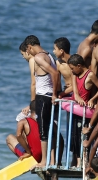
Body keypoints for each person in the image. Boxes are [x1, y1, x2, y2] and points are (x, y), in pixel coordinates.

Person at [23, 35, 60, 168]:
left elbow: (54, 74)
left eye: (28, 50)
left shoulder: (38, 57)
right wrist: (56, 92)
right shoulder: (49, 56)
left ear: (29, 47)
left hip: (44, 96)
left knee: (43, 130)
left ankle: (44, 161)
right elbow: (57, 74)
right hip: (49, 95)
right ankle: (52, 160)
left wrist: (55, 94)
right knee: (50, 129)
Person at [67, 53, 98, 166]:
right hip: (75, 108)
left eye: (72, 68)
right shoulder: (74, 74)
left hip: (84, 111)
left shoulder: (90, 75)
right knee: (74, 136)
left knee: (83, 136)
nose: (71, 71)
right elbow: (76, 93)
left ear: (79, 65)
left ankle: (84, 161)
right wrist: (75, 97)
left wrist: (93, 99)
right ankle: (77, 161)